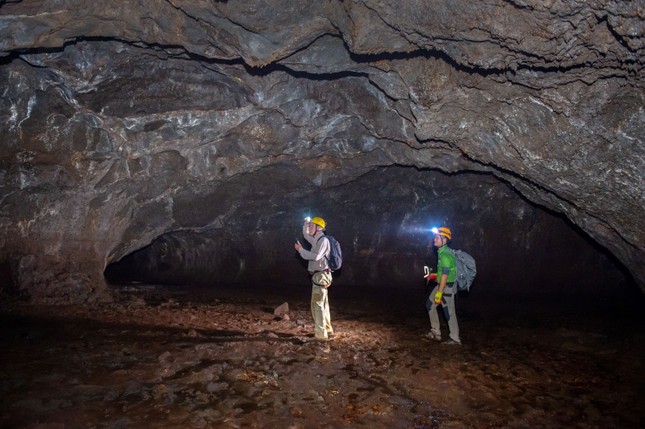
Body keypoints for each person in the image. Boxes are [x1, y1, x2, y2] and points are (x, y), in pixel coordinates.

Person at [294, 216, 334, 341]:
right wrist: (305, 223)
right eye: (310, 226)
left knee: (317, 305)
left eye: (312, 225)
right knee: (323, 304)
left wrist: (301, 250)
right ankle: (328, 330)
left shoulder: (323, 241)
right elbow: (306, 235)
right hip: (320, 275)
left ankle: (321, 335)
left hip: (321, 276)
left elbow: (316, 257)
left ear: (319, 228)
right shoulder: (317, 240)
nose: (310, 227)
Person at [424, 226, 461, 345]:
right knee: (430, 305)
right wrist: (434, 275)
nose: (434, 239)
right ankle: (436, 332)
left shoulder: (445, 255)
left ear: (444, 239)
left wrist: (439, 293)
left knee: (449, 312)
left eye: (437, 237)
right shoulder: (443, 251)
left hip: (446, 287)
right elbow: (443, 273)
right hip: (442, 284)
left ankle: (455, 338)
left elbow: (445, 276)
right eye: (434, 237)